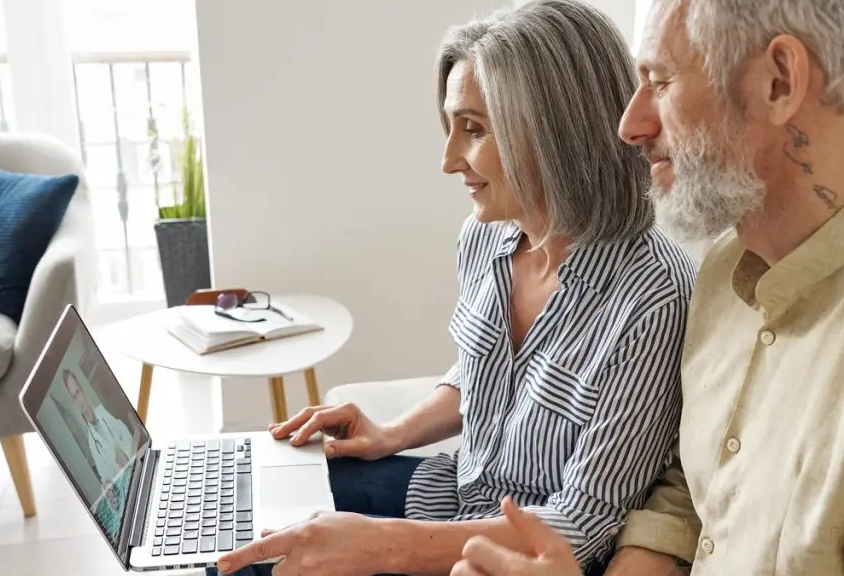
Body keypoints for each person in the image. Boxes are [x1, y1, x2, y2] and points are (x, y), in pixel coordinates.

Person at [456, 0, 844, 574]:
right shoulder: (721, 273)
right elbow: (692, 499)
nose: (629, 125)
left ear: (779, 81)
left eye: (660, 83)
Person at [212, 1, 695, 575]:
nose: (447, 161)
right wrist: (389, 433)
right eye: (451, 127)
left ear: (555, 131)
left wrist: (378, 543)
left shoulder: (653, 297)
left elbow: (581, 525)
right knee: (244, 517)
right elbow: (480, 371)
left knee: (256, 565)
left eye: (473, 129)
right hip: (451, 500)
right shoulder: (485, 239)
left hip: (516, 560)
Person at [62, 368, 138, 485]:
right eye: (73, 397)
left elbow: (125, 432)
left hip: (137, 466)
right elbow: (106, 478)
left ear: (82, 391)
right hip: (128, 484)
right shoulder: (92, 444)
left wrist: (124, 453)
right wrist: (106, 485)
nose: (78, 400)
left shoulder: (104, 410)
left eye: (77, 392)